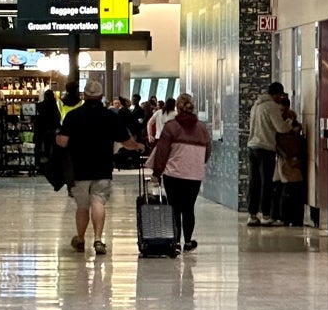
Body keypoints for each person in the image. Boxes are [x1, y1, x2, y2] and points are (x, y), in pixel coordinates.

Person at [55, 79, 141, 255]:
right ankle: (98, 240)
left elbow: (62, 142)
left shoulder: (73, 116)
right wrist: (138, 146)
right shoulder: (111, 117)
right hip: (103, 167)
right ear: (101, 96)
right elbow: (127, 143)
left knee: (82, 206)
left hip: (79, 168)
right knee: (98, 201)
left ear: (84, 96)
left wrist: (56, 137)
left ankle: (80, 239)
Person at [148, 92, 211, 253]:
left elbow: (162, 152)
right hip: (194, 174)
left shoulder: (171, 127)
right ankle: (188, 242)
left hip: (173, 174)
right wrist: (197, 163)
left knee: (174, 208)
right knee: (189, 208)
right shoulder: (202, 128)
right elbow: (207, 153)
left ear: (178, 107)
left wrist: (157, 172)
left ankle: (175, 242)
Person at [247, 82, 292, 226]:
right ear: (277, 94)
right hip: (265, 148)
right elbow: (281, 128)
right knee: (266, 182)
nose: (281, 98)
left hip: (252, 146)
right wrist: (289, 123)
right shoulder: (271, 106)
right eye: (280, 95)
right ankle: (266, 215)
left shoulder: (256, 105)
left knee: (254, 182)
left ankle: (252, 215)